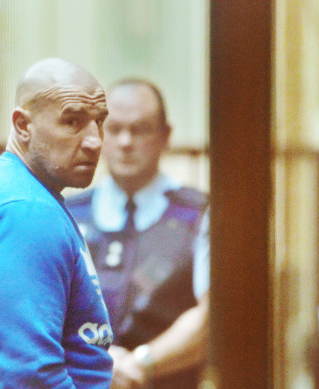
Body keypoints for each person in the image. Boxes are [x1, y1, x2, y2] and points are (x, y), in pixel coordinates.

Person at [0, 58, 114, 388]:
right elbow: (32, 375)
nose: (95, 140)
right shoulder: (26, 210)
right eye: (73, 122)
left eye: (99, 122)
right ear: (22, 126)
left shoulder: (13, 188)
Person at [67, 79, 209, 389]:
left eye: (140, 129)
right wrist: (97, 363)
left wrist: (139, 363)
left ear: (165, 136)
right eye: (114, 129)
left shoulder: (199, 214)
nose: (125, 142)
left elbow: (211, 316)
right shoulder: (67, 213)